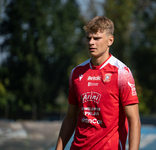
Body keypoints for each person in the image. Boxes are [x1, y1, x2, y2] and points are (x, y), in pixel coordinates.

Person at [55, 16, 141, 150]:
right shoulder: (76, 73)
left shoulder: (121, 73)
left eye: (96, 38)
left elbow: (134, 120)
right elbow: (71, 117)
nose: (91, 42)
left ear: (110, 40)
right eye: (88, 38)